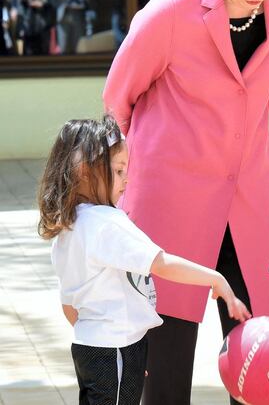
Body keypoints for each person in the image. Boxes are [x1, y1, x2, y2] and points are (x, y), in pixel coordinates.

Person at [102, 0, 269, 405]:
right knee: (167, 349)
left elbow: (267, 90)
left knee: (257, 342)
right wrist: (152, 158)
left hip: (245, 196)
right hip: (171, 198)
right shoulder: (172, 8)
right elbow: (119, 95)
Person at [38, 115, 251, 405]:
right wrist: (216, 278)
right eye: (118, 169)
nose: (127, 178)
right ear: (85, 171)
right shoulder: (106, 223)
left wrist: (126, 354)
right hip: (115, 349)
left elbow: (69, 307)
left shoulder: (68, 229)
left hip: (95, 347)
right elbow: (161, 263)